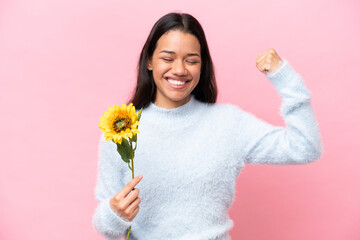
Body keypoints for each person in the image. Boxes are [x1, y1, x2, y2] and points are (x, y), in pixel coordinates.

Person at [92, 12, 323, 240]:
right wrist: (115, 214)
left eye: (191, 60)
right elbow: (106, 226)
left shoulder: (228, 123)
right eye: (168, 58)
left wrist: (284, 77)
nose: (180, 70)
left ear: (202, 67)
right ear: (149, 61)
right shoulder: (121, 130)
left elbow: (305, 147)